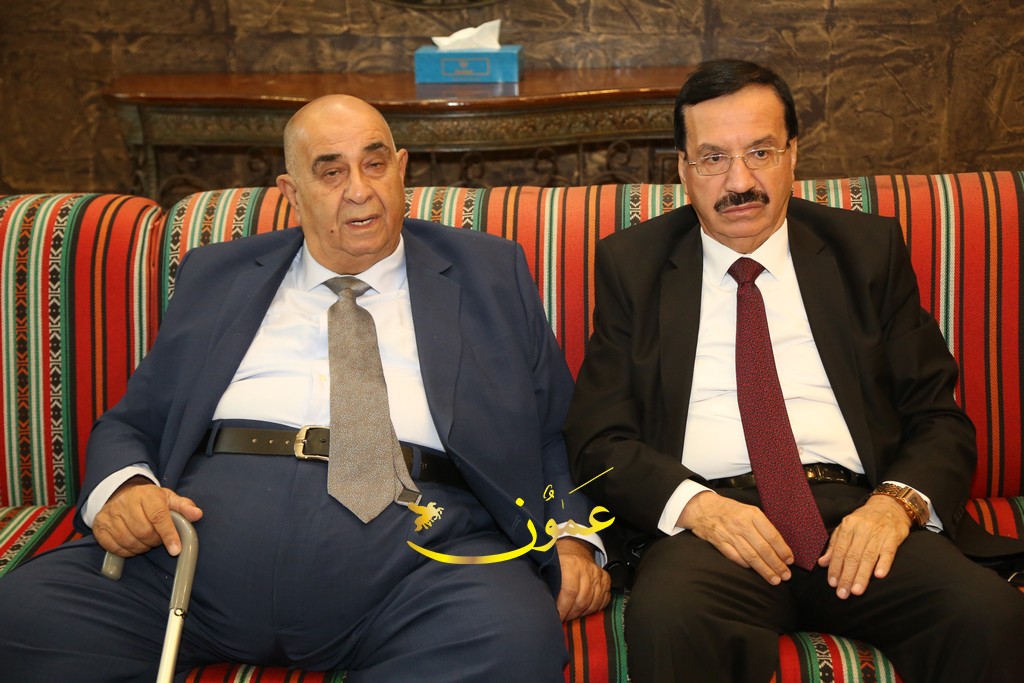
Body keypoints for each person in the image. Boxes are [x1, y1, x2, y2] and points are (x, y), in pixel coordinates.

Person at [0, 94, 609, 682]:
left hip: (417, 571)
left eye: (375, 164)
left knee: (511, 640)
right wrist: (128, 488)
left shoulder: (489, 272)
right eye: (331, 172)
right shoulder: (218, 274)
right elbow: (133, 420)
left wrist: (571, 534)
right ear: (291, 192)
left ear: (402, 170)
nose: (359, 189)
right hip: (186, 561)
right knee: (22, 618)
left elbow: (552, 429)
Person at [564, 59, 1024, 683]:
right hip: (716, 527)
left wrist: (894, 506)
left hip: (856, 513)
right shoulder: (633, 266)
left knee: (986, 615)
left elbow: (938, 417)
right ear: (682, 169)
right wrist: (699, 507)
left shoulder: (867, 252)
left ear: (792, 154)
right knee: (670, 619)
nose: (740, 181)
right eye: (713, 158)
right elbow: (599, 440)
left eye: (760, 152)